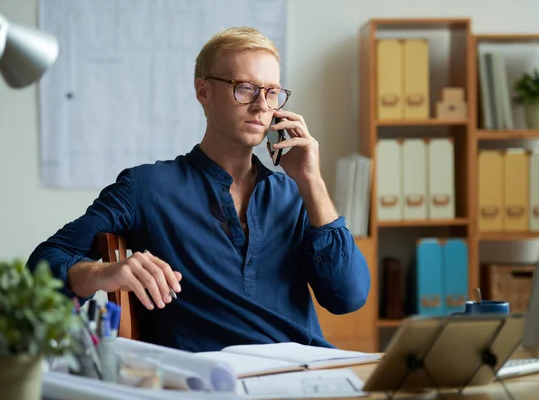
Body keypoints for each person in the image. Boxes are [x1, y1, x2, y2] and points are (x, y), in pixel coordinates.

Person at [27, 26, 370, 352]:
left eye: (271, 92)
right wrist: (104, 273)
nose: (262, 105)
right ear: (203, 91)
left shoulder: (294, 193)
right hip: (208, 382)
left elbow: (348, 297)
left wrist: (312, 181)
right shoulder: (146, 188)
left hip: (303, 376)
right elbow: (42, 267)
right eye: (245, 88)